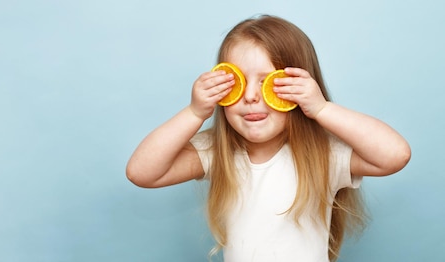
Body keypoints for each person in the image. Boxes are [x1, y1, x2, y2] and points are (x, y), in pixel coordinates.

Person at [126, 15, 411, 262]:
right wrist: (194, 112)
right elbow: (142, 173)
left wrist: (322, 109)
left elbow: (395, 155)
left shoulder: (323, 154)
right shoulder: (217, 153)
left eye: (269, 84)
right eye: (236, 82)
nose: (250, 96)